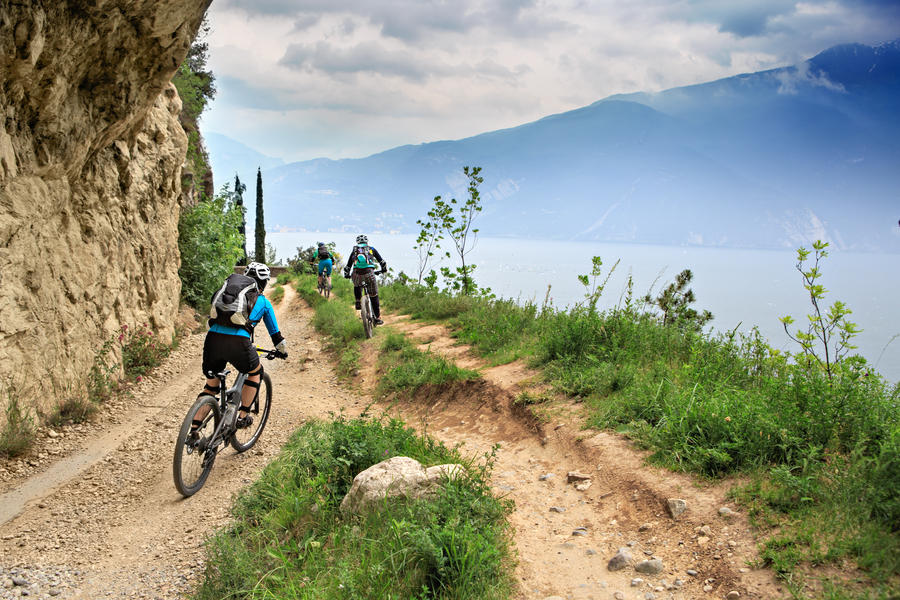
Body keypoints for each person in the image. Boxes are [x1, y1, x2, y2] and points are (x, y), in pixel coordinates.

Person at [192, 262, 287, 437]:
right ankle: (243, 416)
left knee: (211, 386)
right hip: (239, 343)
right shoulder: (262, 301)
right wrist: (282, 350)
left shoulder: (226, 291)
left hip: (212, 340)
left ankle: (193, 431)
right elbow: (276, 334)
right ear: (263, 283)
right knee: (255, 372)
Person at [343, 234, 387, 325]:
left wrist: (347, 274)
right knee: (374, 295)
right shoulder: (372, 249)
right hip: (369, 273)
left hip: (357, 274)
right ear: (367, 242)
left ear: (357, 242)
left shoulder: (354, 251)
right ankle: (378, 317)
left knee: (356, 284)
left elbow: (348, 266)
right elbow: (382, 262)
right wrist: (383, 270)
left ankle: (358, 301)